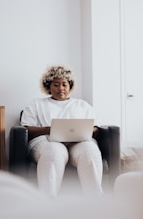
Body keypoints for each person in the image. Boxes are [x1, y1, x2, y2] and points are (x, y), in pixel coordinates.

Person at [21, 65, 103, 197]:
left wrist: (83, 130)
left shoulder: (82, 105)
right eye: (56, 84)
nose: (61, 88)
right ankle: (49, 201)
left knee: (90, 150)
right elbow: (26, 128)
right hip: (47, 141)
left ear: (70, 85)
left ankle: (95, 200)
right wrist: (49, 129)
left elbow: (96, 127)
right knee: (54, 152)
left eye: (64, 84)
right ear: (48, 86)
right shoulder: (36, 104)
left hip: (78, 141)